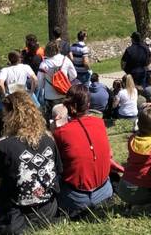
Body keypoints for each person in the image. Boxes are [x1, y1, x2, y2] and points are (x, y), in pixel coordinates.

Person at [0, 91, 61, 233]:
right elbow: (57, 171)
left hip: (18, 216)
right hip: (49, 209)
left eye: (4, 114)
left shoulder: (5, 147)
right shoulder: (49, 140)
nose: (2, 119)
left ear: (13, 116)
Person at [53, 84, 114, 216]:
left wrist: (54, 129)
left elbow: (55, 164)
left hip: (76, 198)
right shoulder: (99, 123)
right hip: (104, 191)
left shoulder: (60, 132)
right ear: (88, 104)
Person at [116, 107, 151, 207]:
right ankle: (143, 205)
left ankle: (134, 203)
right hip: (141, 189)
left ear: (138, 125)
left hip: (123, 187)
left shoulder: (132, 139)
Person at [37, 41, 77, 116]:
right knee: (65, 114)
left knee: (52, 116)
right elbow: (74, 75)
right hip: (64, 91)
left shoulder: (44, 64)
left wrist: (44, 87)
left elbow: (39, 82)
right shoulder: (65, 60)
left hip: (50, 95)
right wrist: (64, 81)